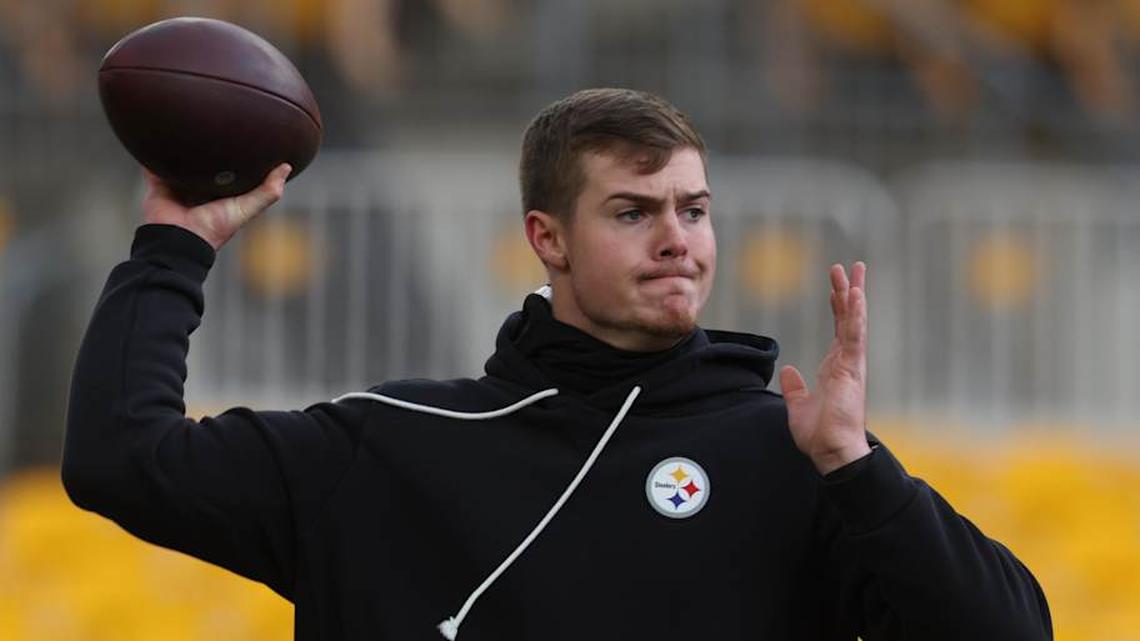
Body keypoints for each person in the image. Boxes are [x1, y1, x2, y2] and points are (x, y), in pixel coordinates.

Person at [62, 88, 1051, 640]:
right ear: (549, 236)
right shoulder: (391, 441)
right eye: (634, 211)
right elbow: (119, 455)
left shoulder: (797, 451)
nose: (678, 239)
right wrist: (175, 245)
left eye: (694, 209)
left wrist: (858, 466)